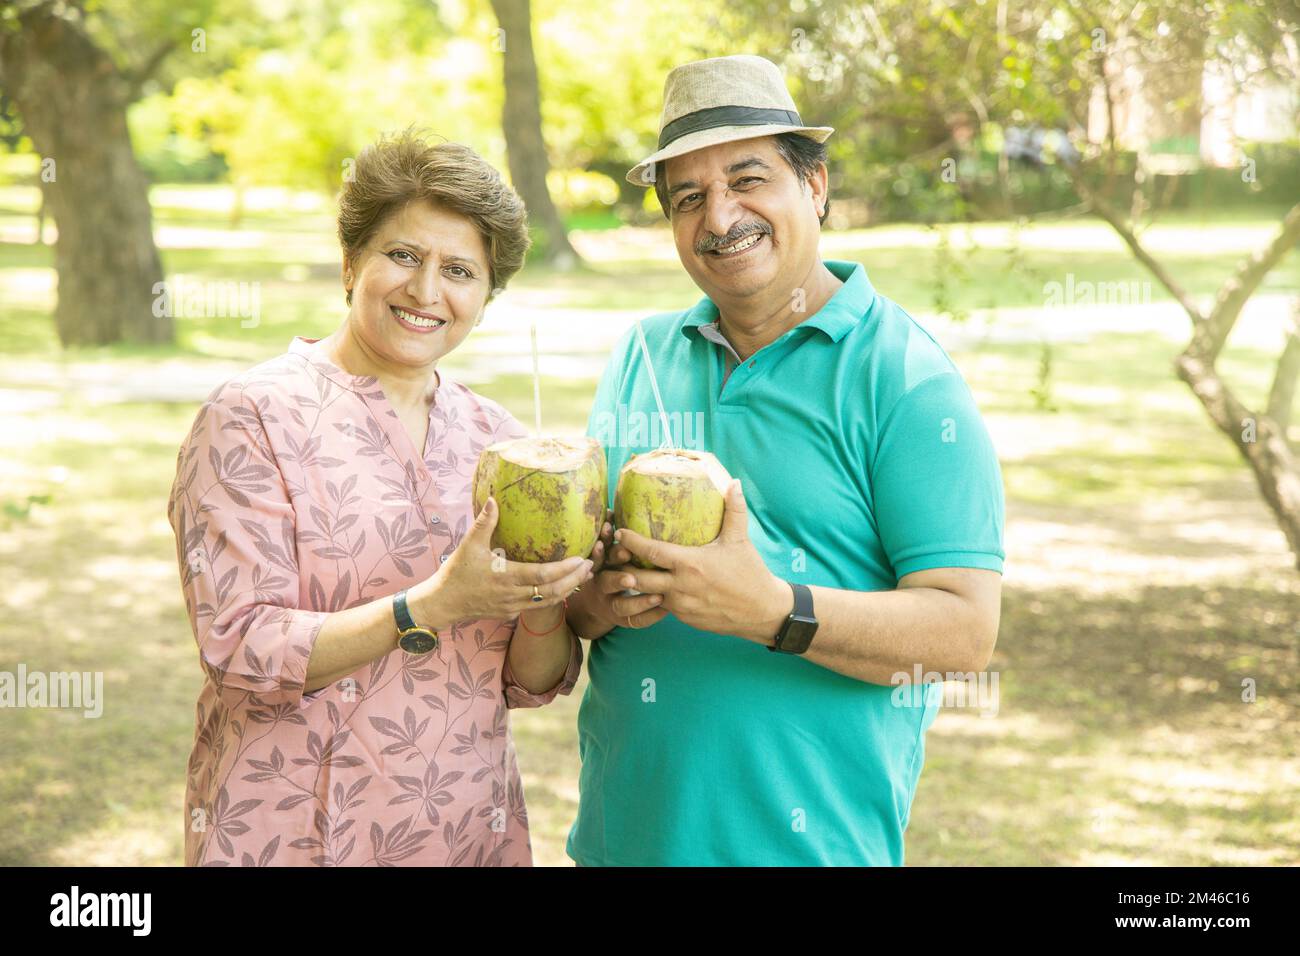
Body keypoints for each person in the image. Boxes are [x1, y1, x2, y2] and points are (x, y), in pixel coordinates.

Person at [564, 55, 1005, 866]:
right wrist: (598, 596)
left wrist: (770, 607)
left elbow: (965, 633)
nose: (719, 215)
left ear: (817, 187)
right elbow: (582, 605)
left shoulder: (906, 379)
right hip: (620, 844)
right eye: (687, 197)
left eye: (748, 178)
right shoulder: (644, 357)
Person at [167, 130, 607, 866]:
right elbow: (239, 645)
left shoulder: (498, 442)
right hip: (296, 827)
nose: (427, 291)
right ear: (350, 264)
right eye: (403, 255)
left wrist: (540, 602)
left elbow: (529, 684)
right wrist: (428, 605)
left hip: (466, 828)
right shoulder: (249, 416)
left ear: (484, 298)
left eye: (460, 271)